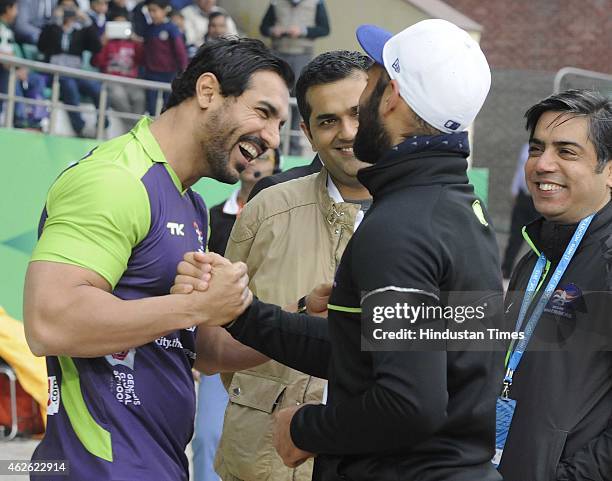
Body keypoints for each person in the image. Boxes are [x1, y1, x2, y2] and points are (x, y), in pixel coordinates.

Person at [174, 20, 503, 481]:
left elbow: (410, 404)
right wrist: (243, 314)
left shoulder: (401, 227)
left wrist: (305, 428)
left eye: (368, 84)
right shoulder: (459, 211)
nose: (353, 120)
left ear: (391, 97)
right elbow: (373, 353)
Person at [23, 37, 293, 481]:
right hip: (98, 469)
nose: (271, 139)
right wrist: (195, 306)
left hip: (157, 464)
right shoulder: (116, 178)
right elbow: (50, 321)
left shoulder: (191, 204)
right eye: (263, 113)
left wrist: (311, 321)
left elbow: (206, 349)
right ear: (207, 91)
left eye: (281, 124)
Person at [204, 50, 372, 481]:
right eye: (328, 120)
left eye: (357, 113)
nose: (347, 132)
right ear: (307, 132)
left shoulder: (432, 218)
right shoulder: (269, 207)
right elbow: (212, 347)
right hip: (260, 463)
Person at [497, 89, 612, 480]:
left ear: (610, 170)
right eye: (536, 148)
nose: (542, 164)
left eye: (566, 152)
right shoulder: (537, 253)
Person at [260, 0, 330, 155]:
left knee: (298, 100)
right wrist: (273, 30)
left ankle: (294, 146)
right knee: (275, 98)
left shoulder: (316, 3)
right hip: (278, 53)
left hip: (302, 54)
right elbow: (263, 27)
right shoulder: (276, 2)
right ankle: (272, 143)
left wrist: (303, 31)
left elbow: (325, 29)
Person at [37, 0, 104, 136]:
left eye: (71, 8)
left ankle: (103, 124)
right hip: (56, 73)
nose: (68, 11)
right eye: (64, 7)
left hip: (76, 73)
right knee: (69, 86)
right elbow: (41, 46)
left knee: (97, 89)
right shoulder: (53, 28)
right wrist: (55, 21)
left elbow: (97, 47)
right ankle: (80, 127)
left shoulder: (81, 30)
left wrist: (86, 21)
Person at [91, 9, 145, 132]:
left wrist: (138, 41)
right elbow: (96, 62)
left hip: (131, 80)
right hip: (111, 79)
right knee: (118, 96)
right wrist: (102, 44)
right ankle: (133, 130)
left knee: (139, 97)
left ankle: (134, 128)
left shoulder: (133, 43)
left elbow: (142, 60)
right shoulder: (107, 43)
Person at [0, 0, 47, 129]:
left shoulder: (7, 29)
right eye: (15, 8)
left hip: (12, 69)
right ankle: (20, 119)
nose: (17, 12)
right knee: (11, 79)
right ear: (8, 9)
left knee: (37, 80)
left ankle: (37, 118)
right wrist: (15, 69)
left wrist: (19, 68)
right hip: (5, 72)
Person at [142, 0, 188, 116]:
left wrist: (184, 69)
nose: (152, 14)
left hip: (169, 74)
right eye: (149, 11)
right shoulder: (149, 29)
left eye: (154, 10)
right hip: (151, 73)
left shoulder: (171, 29)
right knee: (151, 105)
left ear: (164, 10)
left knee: (167, 104)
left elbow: (180, 51)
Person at [501, 142, 539, 279]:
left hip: (539, 198)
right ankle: (506, 269)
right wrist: (515, 190)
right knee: (515, 236)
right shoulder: (525, 147)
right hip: (524, 197)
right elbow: (520, 170)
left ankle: (539, 275)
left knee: (539, 238)